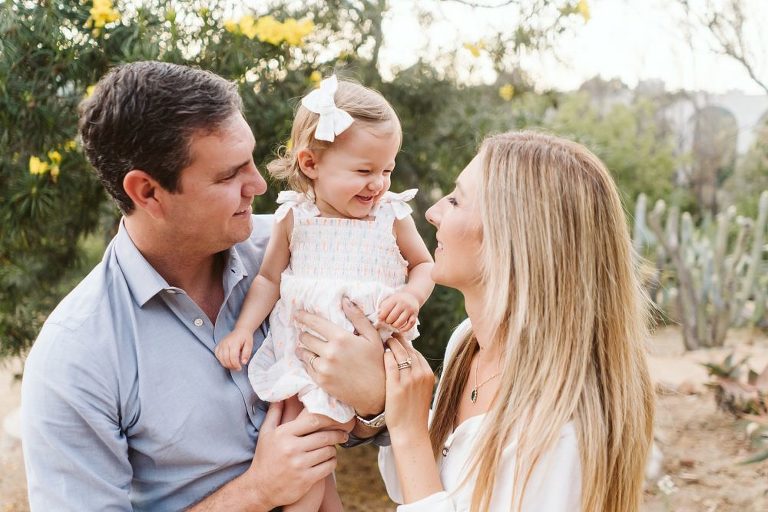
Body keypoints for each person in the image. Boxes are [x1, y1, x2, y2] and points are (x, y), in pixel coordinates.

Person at [20, 61, 388, 512]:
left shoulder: (301, 253)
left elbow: (366, 416)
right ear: (147, 192)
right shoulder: (76, 356)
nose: (257, 183)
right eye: (228, 175)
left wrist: (373, 403)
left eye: (251, 160)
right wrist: (255, 492)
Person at [300, 131, 655, 511]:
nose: (434, 213)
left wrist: (408, 432)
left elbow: (417, 463)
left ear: (511, 238)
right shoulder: (467, 343)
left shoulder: (564, 431)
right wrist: (381, 404)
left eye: (455, 200)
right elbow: (417, 485)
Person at [214, 75, 434, 511]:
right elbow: (268, 280)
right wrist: (243, 329)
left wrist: (411, 297)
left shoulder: (391, 216)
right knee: (312, 464)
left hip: (372, 357)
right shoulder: (295, 217)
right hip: (306, 356)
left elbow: (424, 264)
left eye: (387, 170)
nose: (379, 185)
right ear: (311, 164)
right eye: (364, 171)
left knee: (310, 457)